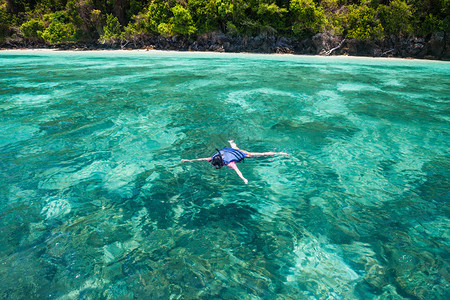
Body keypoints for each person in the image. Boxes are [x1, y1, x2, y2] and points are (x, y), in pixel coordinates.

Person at [181, 140, 288, 184]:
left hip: (245, 154)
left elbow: (238, 171)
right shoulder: (217, 157)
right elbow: (201, 159)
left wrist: (244, 179)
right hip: (234, 152)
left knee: (260, 154)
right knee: (236, 148)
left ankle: (279, 153)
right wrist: (188, 160)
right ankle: (232, 142)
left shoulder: (230, 163)